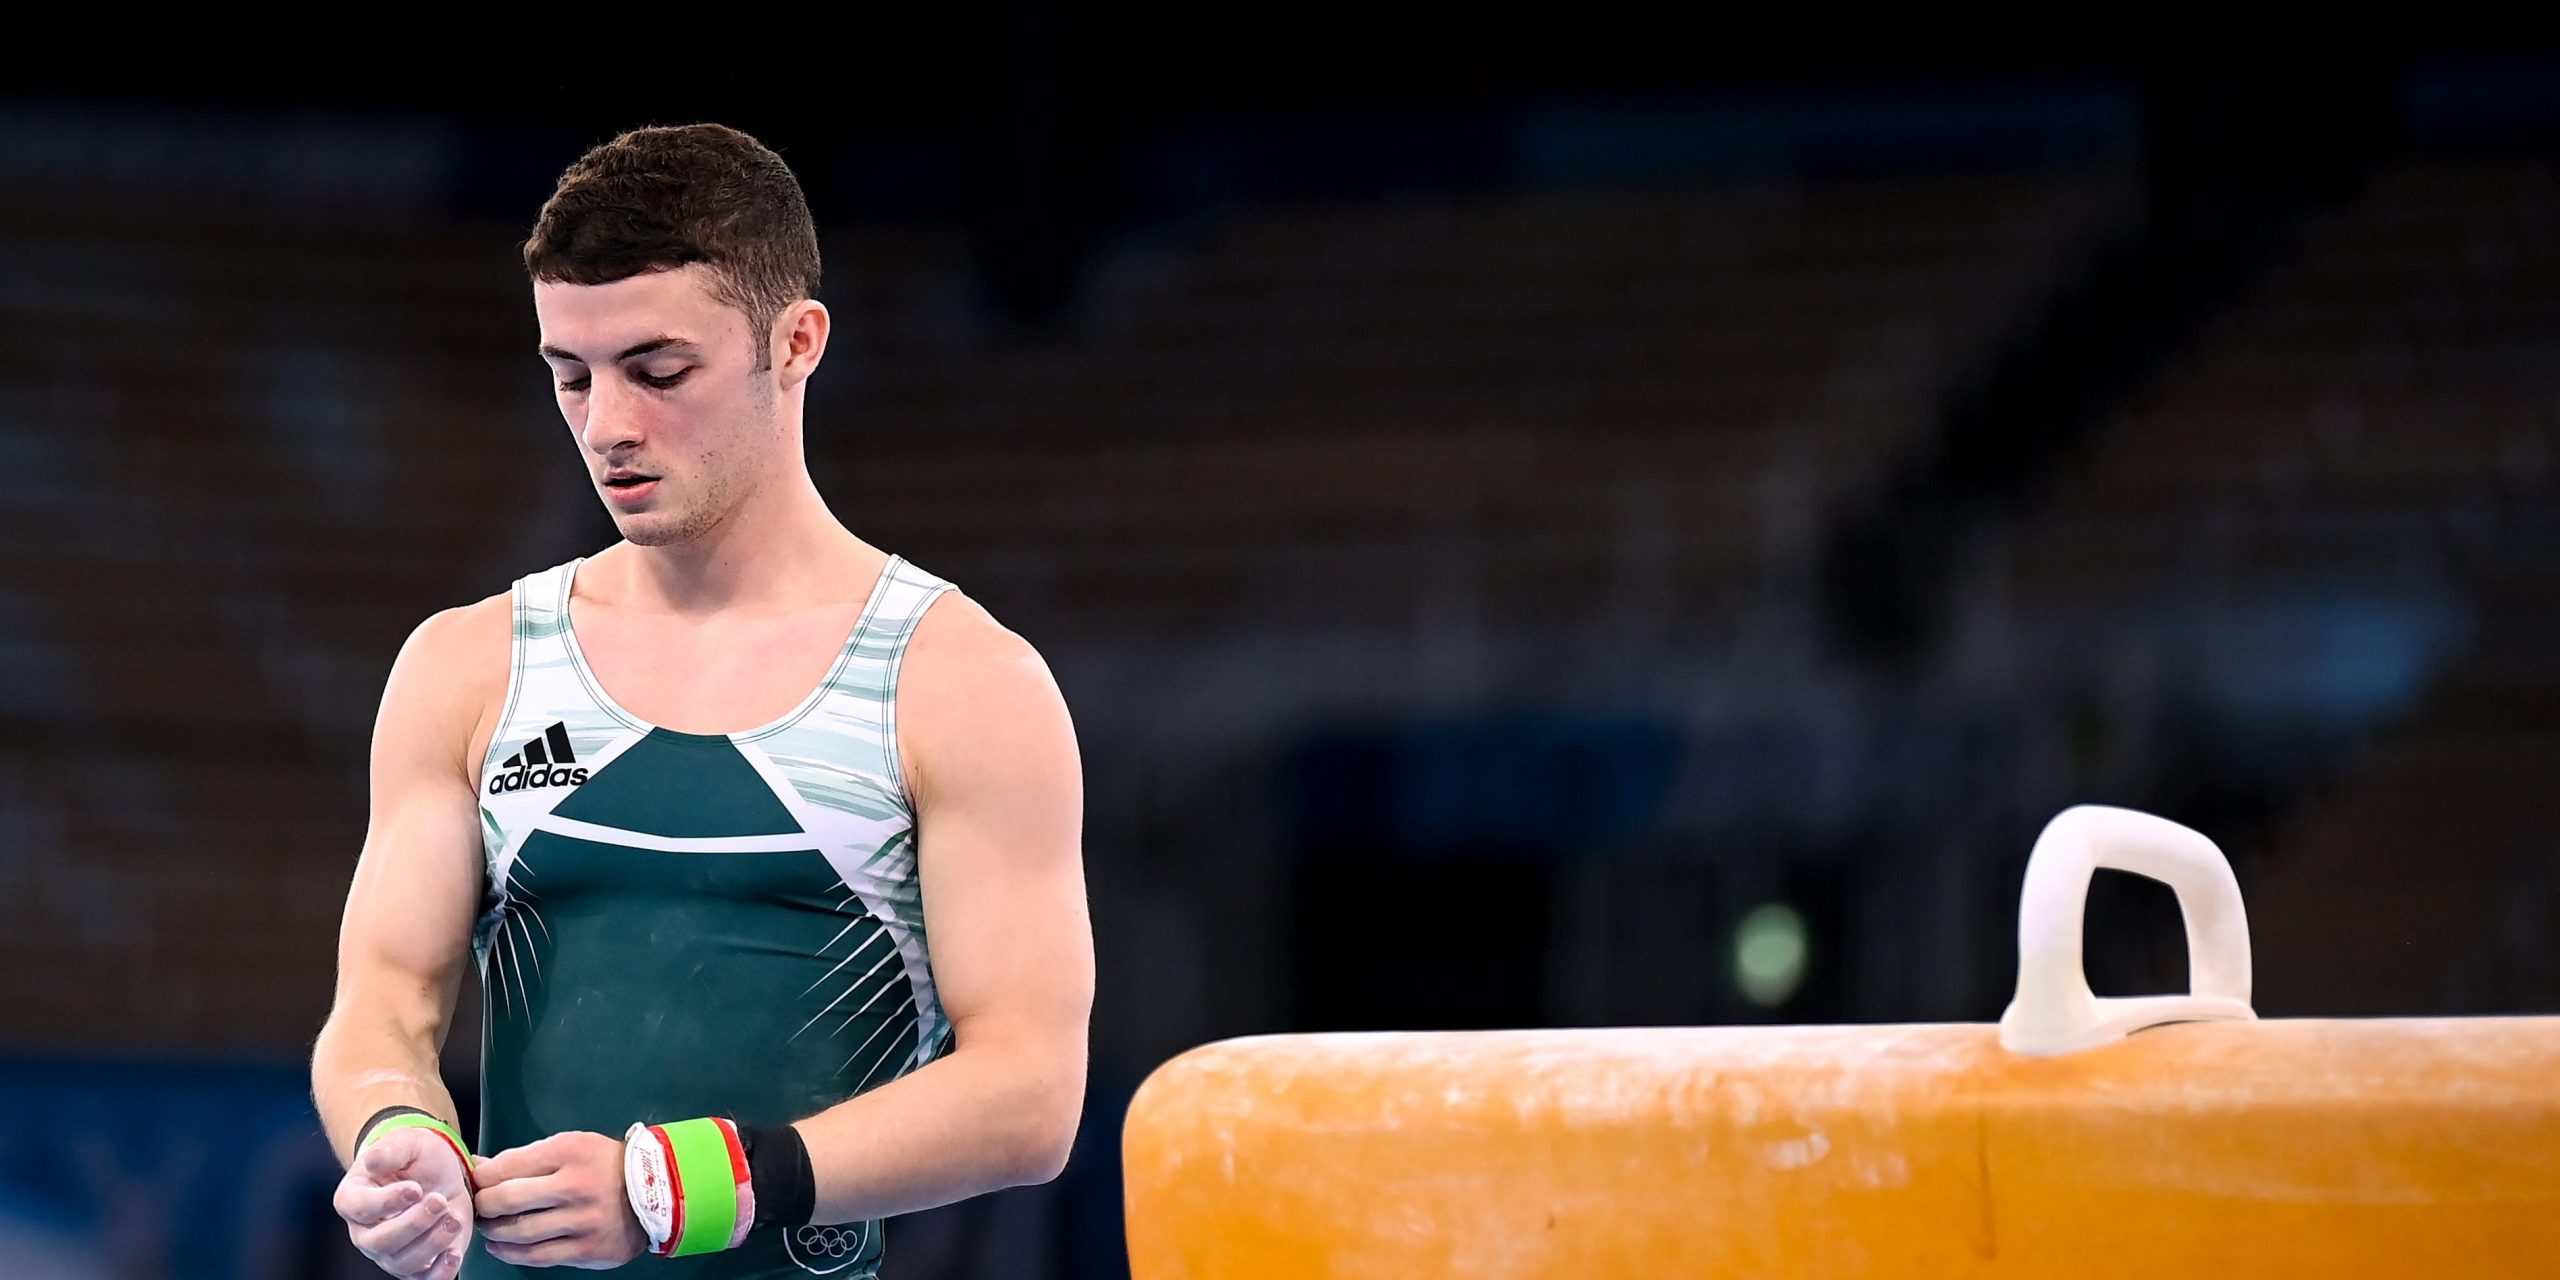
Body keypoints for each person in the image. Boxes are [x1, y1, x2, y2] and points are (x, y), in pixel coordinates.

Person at [309, 122, 1093, 1279]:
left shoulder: (957, 683)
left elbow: (1029, 1091)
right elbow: (382, 1000)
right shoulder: (472, 667)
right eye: (569, 375)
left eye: (659, 371)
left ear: (797, 342)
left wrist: (687, 1184)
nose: (607, 425)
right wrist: (396, 1132)